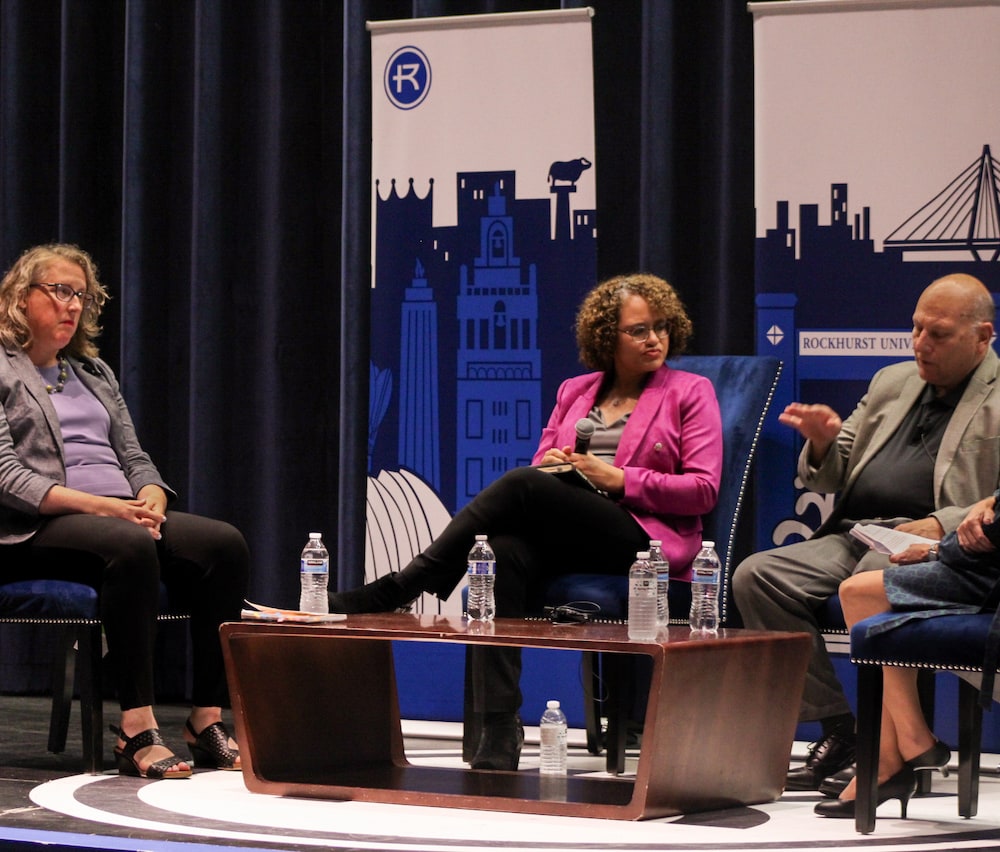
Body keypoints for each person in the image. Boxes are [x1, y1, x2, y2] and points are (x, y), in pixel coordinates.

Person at [330, 272, 723, 770]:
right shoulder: (576, 391)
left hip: (641, 542)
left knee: (519, 485)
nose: (655, 339)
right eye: (639, 330)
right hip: (569, 535)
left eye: (662, 327)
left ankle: (403, 585)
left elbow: (703, 489)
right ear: (607, 337)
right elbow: (542, 466)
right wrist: (558, 467)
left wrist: (619, 478)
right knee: (499, 553)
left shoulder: (690, 392)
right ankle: (499, 726)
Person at [732, 272, 1000, 791]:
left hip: (930, 546)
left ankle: (892, 754)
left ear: (983, 336)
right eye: (916, 328)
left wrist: (939, 523)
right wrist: (822, 442)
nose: (921, 344)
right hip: (856, 531)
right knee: (756, 576)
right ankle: (842, 728)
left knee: (875, 579)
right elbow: (832, 472)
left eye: (938, 333)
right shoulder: (891, 381)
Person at [0, 244, 250, 779]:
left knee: (223, 544)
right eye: (60, 291)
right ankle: (136, 729)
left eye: (82, 296)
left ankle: (205, 721)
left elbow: (133, 455)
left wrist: (152, 494)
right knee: (131, 544)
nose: (73, 306)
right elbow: (8, 478)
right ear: (22, 298)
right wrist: (107, 510)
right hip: (33, 527)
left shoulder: (93, 372)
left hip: (114, 515)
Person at [815, 491, 1000, 818]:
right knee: (859, 592)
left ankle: (899, 755)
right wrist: (988, 502)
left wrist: (936, 549)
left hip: (990, 578)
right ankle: (901, 750)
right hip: (984, 567)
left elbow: (989, 536)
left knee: (858, 593)